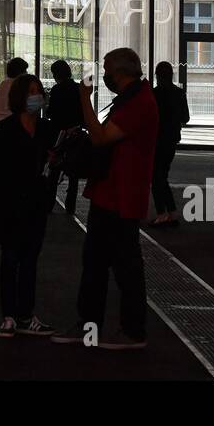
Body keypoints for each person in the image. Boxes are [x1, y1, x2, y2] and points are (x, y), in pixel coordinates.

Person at [52, 47, 159, 351]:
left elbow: (100, 138)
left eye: (107, 70)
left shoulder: (138, 103)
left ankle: (130, 331)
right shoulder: (135, 99)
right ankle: (94, 326)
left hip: (121, 194)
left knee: (122, 264)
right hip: (113, 191)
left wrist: (84, 98)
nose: (104, 75)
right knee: (99, 262)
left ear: (120, 72)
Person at [0, 73, 59, 338]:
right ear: (19, 97)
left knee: (29, 260)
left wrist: (54, 159)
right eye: (30, 91)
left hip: (36, 203)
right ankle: (9, 315)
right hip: (10, 202)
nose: (36, 96)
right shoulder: (5, 130)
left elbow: (54, 163)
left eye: (38, 91)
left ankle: (25, 315)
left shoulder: (48, 130)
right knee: (12, 258)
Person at [151, 61, 190, 229]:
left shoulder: (154, 94)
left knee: (156, 177)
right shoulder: (179, 93)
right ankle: (171, 212)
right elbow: (185, 117)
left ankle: (162, 214)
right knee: (162, 176)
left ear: (157, 76)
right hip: (172, 139)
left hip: (156, 139)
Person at [47, 60, 85, 211]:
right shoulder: (78, 88)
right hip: (75, 133)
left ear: (56, 74)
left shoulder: (56, 90)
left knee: (54, 169)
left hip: (59, 134)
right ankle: (70, 206)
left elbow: (51, 113)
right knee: (73, 172)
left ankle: (49, 204)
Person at [0, 57, 28, 127]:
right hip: (12, 125)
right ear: (20, 71)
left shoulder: (3, 83)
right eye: (25, 70)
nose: (26, 73)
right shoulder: (17, 84)